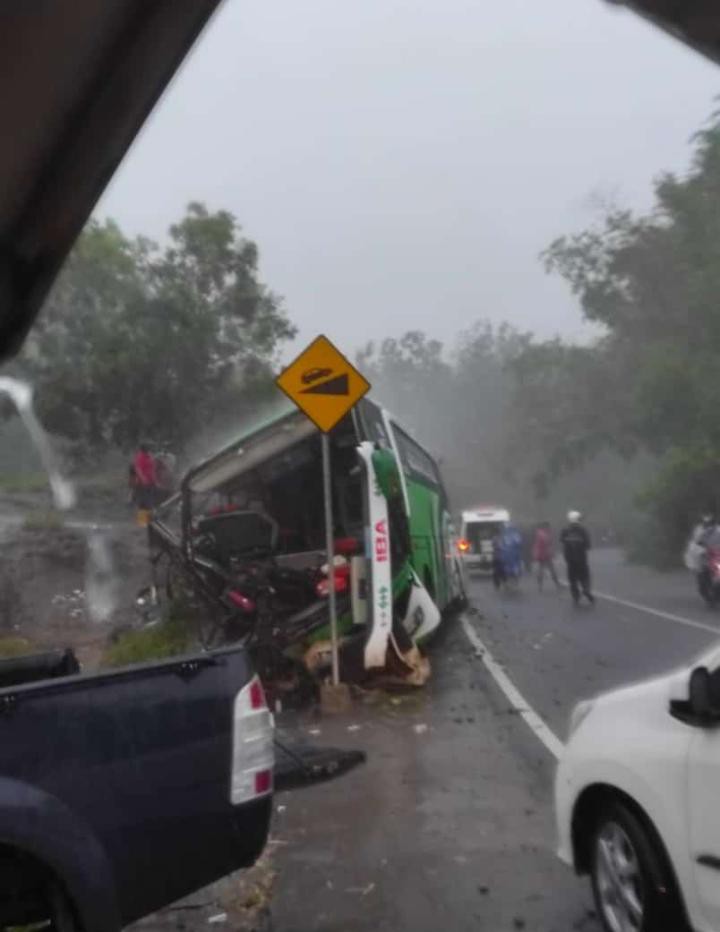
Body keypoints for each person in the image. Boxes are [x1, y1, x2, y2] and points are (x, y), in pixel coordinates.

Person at [560, 510, 594, 605]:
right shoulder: (583, 530)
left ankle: (575, 596)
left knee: (572, 578)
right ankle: (586, 589)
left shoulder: (565, 530)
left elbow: (562, 541)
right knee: (584, 576)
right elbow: (588, 545)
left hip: (570, 559)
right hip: (581, 558)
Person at [132, 443, 158, 520]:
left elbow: (152, 469)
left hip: (150, 482)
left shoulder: (149, 456)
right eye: (147, 448)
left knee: (150, 501)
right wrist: (143, 479)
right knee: (143, 502)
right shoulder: (140, 457)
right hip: (142, 483)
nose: (148, 450)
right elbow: (138, 469)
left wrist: (154, 481)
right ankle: (143, 520)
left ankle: (149, 520)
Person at [532, 521, 560, 590]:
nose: (550, 528)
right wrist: (551, 553)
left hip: (540, 554)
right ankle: (557, 584)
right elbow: (547, 544)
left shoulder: (539, 533)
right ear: (545, 526)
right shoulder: (543, 534)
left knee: (541, 569)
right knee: (551, 569)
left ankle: (540, 586)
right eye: (548, 526)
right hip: (545, 554)